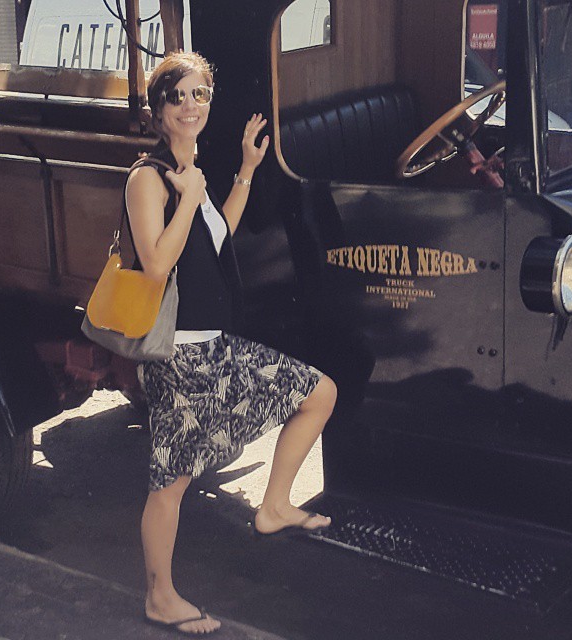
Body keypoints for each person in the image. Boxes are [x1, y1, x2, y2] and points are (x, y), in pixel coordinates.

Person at [126, 51, 337, 636]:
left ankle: (273, 506)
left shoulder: (189, 170)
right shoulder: (148, 178)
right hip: (179, 355)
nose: (190, 106)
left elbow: (217, 234)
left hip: (214, 346)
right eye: (177, 97)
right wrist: (188, 193)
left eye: (200, 94)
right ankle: (160, 597)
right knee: (170, 484)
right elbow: (155, 265)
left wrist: (244, 170)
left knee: (318, 392)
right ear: (159, 109)